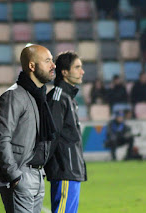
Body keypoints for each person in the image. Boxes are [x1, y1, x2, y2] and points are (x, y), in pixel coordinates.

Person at [0, 44, 56, 213]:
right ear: (32, 66)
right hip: (22, 175)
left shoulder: (39, 96)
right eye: (47, 61)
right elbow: (1, 140)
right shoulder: (13, 96)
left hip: (38, 175)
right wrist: (15, 176)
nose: (53, 65)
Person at [44, 51, 87, 213]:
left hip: (71, 170)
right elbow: (51, 135)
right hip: (64, 169)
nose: (82, 72)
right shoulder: (58, 97)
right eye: (77, 67)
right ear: (64, 72)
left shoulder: (67, 98)